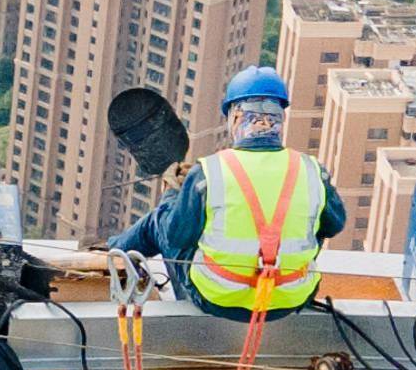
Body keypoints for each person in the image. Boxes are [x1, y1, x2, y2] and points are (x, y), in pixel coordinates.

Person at [108, 66, 345, 317]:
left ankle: (110, 251)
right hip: (289, 298)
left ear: (234, 116)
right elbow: (334, 224)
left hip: (219, 298)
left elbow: (175, 236)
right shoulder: (311, 171)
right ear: (280, 117)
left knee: (160, 221)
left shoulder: (209, 172)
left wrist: (173, 193)